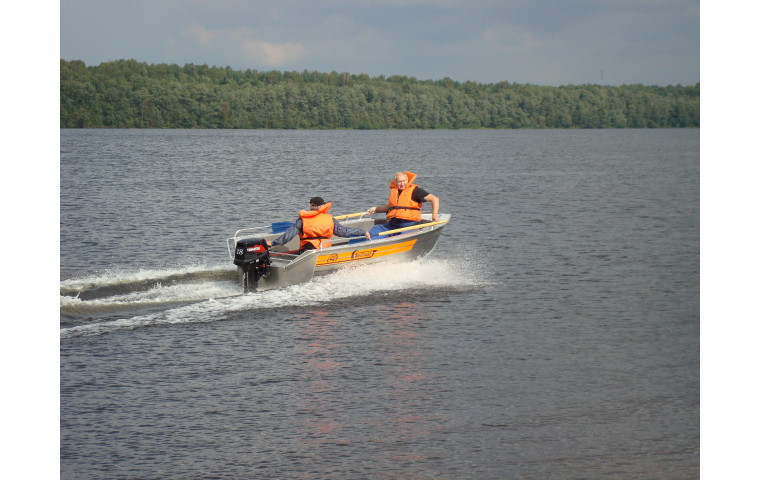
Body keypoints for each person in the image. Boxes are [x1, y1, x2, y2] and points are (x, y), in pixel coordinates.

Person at [268, 197, 371, 253]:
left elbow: (288, 236)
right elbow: (343, 232)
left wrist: (273, 243)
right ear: (322, 206)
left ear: (312, 206)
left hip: (308, 251)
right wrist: (363, 232)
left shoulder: (302, 220)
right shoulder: (329, 219)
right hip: (324, 250)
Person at [365, 171, 439, 239]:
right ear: (395, 182)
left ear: (407, 180)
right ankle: (369, 246)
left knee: (402, 237)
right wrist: (375, 209)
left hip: (409, 225)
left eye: (404, 181)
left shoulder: (416, 191)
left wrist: (434, 215)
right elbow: (390, 207)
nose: (402, 184)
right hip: (393, 224)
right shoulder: (395, 191)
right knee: (375, 229)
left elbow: (434, 199)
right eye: (399, 182)